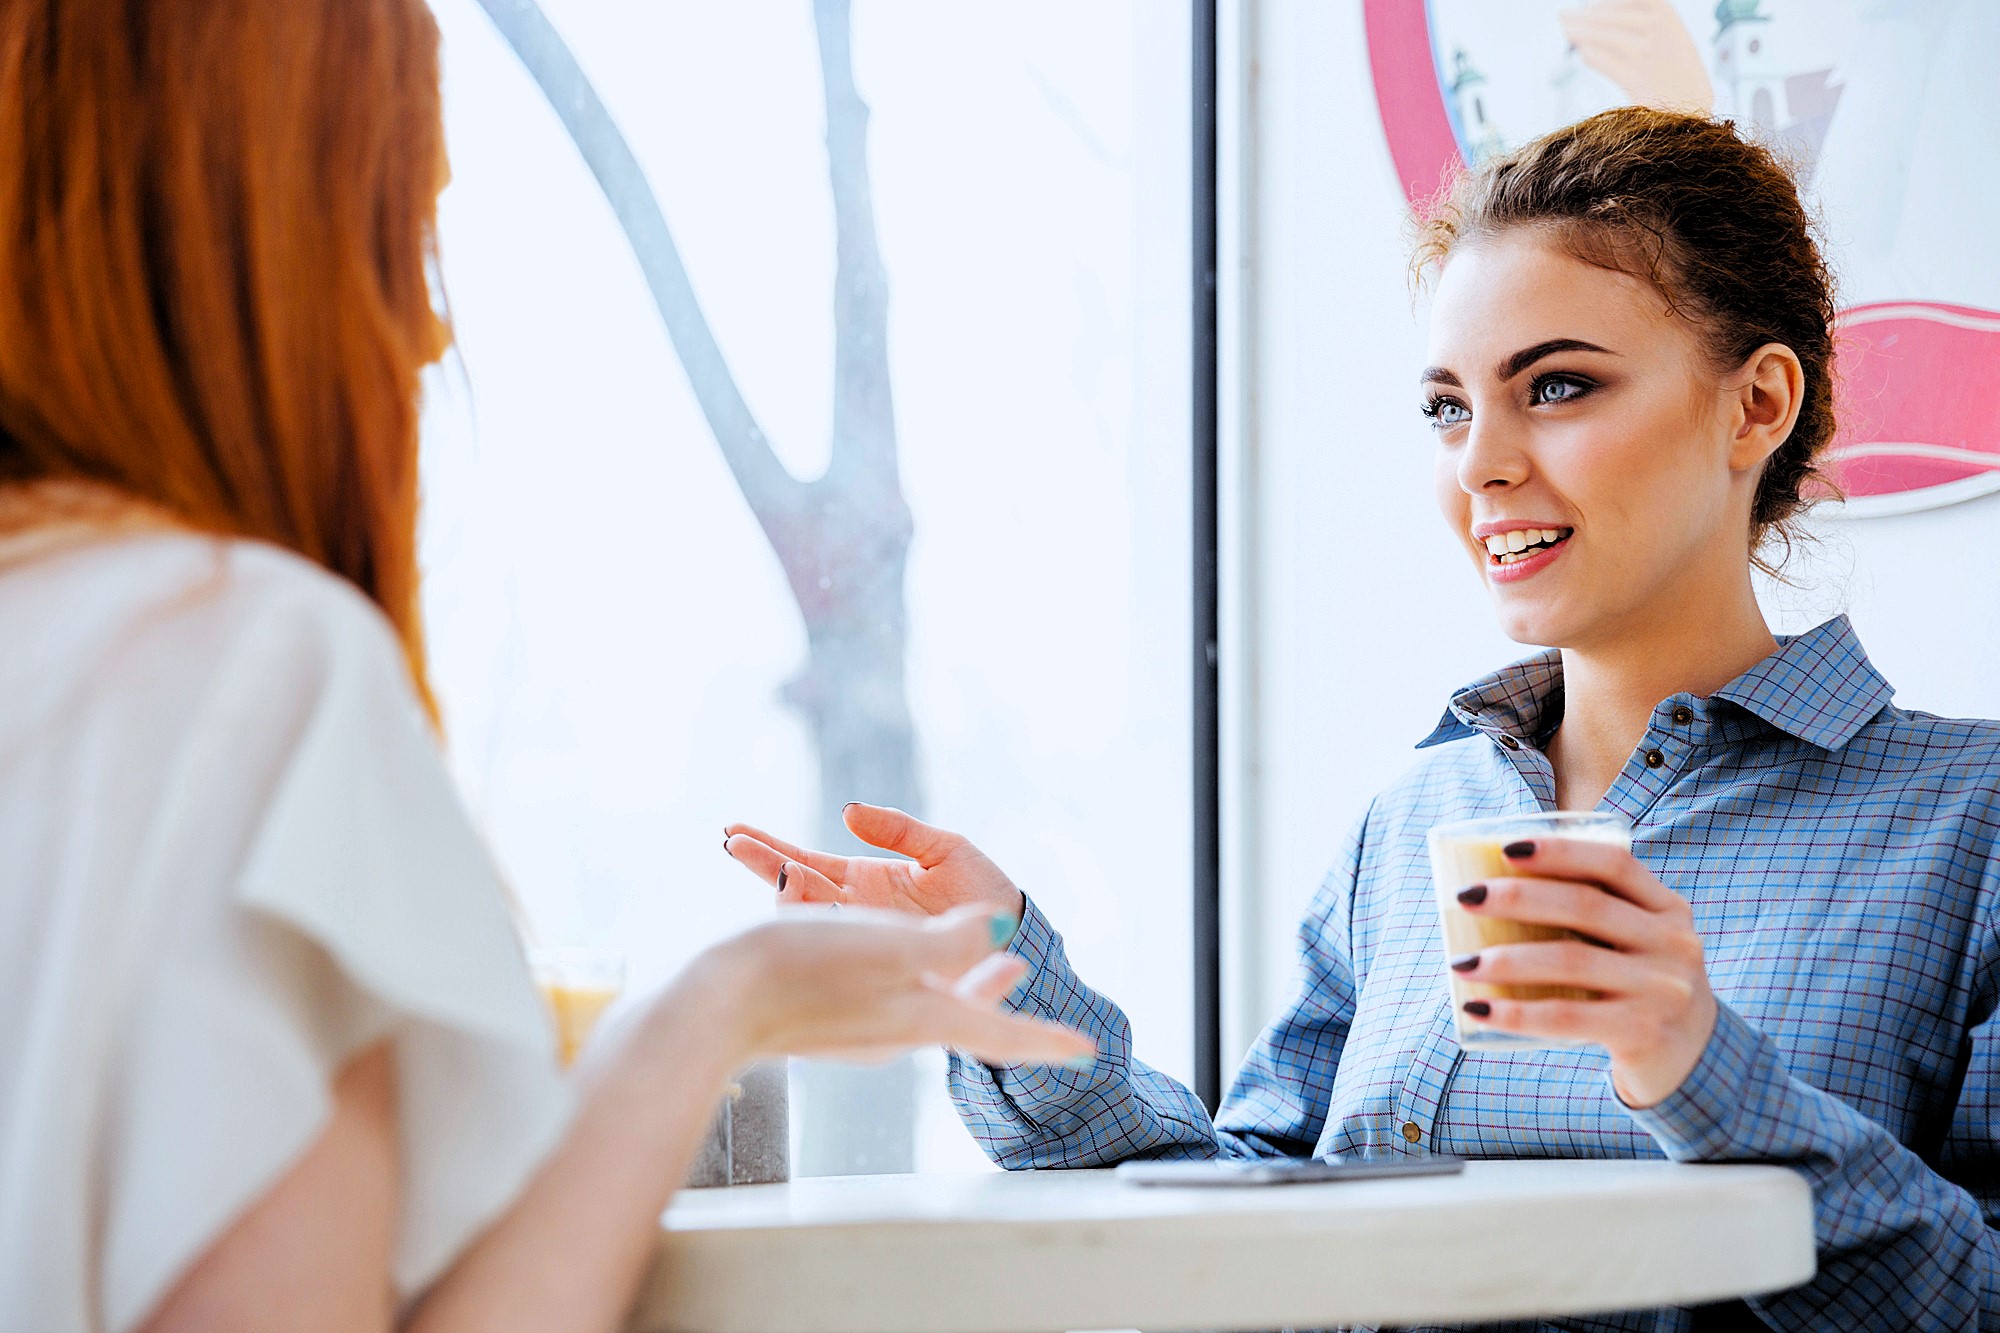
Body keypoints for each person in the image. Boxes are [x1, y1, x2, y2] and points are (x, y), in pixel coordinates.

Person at [726, 108, 2000, 1330]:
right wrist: (999, 994)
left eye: (1555, 387)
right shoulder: (1416, 821)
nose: (1479, 464)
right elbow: (1253, 1225)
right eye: (1446, 406)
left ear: (1755, 405)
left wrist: (1697, 1067)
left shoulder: (1971, 826)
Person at [0, 3, 1093, 1331]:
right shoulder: (250, 666)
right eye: (398, 226)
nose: (424, 332)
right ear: (255, 236)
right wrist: (708, 1016)